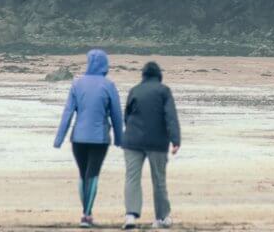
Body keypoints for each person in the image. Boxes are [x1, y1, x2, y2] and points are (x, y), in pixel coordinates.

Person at [54, 48, 124, 227]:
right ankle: (86, 215)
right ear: (105, 64)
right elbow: (116, 115)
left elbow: (68, 113)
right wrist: (119, 139)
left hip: (78, 138)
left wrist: (59, 139)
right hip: (99, 139)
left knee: (82, 175)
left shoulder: (77, 84)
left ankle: (86, 213)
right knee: (92, 174)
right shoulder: (108, 85)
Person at [122, 61, 181, 230]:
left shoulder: (135, 90)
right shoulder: (164, 91)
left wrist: (131, 132)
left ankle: (130, 216)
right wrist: (175, 141)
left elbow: (127, 115)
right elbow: (171, 117)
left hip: (132, 140)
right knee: (159, 180)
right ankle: (161, 217)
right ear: (158, 75)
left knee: (132, 178)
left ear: (144, 75)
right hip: (157, 142)